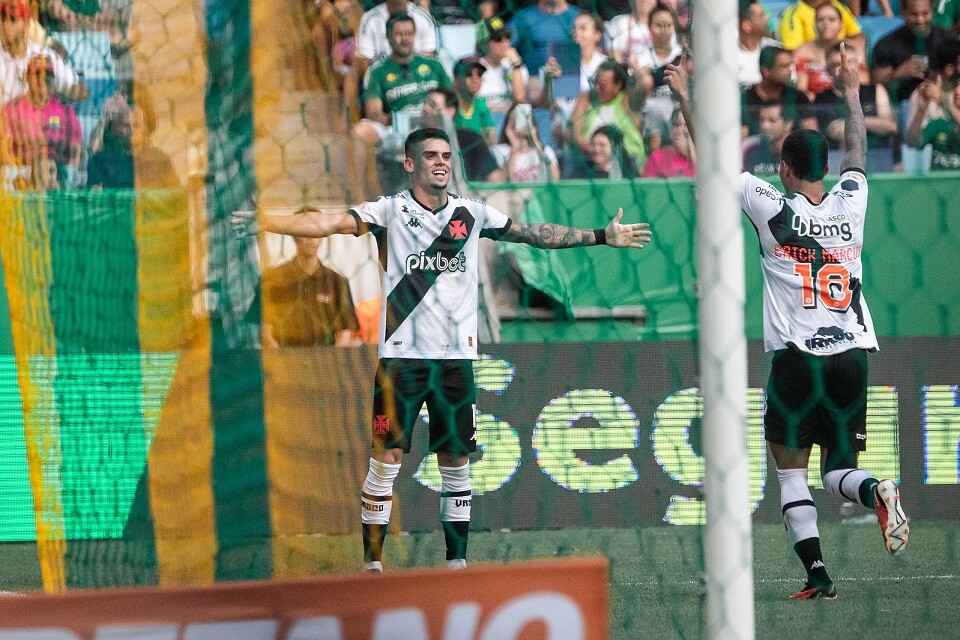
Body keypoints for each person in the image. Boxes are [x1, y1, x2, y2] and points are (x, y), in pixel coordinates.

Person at [231, 127, 652, 573]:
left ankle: (456, 565)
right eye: (431, 155)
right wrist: (268, 220)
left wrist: (601, 236)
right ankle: (372, 565)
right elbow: (327, 221)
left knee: (456, 462)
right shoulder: (389, 212)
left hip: (455, 361)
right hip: (402, 362)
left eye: (447, 156)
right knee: (387, 460)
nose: (441, 162)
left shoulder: (471, 213)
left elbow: (533, 233)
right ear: (410, 164)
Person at [740, 43, 908, 601]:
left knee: (791, 475)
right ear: (827, 168)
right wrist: (852, 90)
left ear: (785, 169)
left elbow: (713, 162)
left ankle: (817, 574)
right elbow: (857, 150)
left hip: (796, 356)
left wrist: (685, 98)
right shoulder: (850, 200)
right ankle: (877, 490)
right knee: (840, 471)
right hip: (852, 354)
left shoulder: (772, 204)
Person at [259, 213, 360, 348]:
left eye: (316, 232)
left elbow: (345, 332)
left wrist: (330, 361)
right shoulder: (272, 278)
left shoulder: (337, 281)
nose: (311, 238)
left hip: (325, 360)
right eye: (304, 231)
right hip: (286, 360)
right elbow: (265, 332)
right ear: (293, 235)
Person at [0, 53, 81, 189]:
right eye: (37, 75)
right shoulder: (12, 109)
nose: (42, 80)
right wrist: (18, 173)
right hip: (24, 169)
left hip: (57, 170)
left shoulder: (64, 109)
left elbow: (76, 147)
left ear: (52, 80)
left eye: (47, 76)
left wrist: (71, 169)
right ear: (27, 78)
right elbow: (5, 148)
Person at [871, 0, 960, 104]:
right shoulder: (886, 44)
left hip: (945, 102)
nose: (920, 19)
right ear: (903, 12)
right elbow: (877, 87)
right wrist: (898, 75)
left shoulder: (950, 41)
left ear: (932, 11)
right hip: (904, 104)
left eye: (925, 14)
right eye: (914, 14)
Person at [0, 0, 87, 105]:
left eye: (13, 20)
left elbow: (81, 90)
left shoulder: (44, 53)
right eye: (2, 19)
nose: (5, 26)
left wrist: (51, 89)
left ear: (26, 24)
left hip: (40, 118)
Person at [86, 101, 180, 189]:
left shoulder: (160, 159)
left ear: (144, 128)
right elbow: (94, 198)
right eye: (125, 125)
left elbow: (176, 197)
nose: (131, 130)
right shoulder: (100, 160)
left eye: (136, 125)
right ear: (114, 128)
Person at [570, 60, 646, 168]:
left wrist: (631, 63)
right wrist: (598, 149)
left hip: (628, 164)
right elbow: (573, 134)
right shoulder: (587, 99)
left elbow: (645, 83)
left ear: (618, 86)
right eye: (595, 83)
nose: (596, 89)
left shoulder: (627, 99)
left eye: (602, 86)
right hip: (593, 163)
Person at [421, 87, 504, 182]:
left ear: (450, 111)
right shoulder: (414, 142)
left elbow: (495, 177)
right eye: (424, 104)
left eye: (432, 105)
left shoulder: (470, 140)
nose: (425, 108)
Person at [742, 46, 819, 137]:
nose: (790, 70)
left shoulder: (798, 97)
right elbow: (740, 138)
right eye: (784, 66)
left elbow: (812, 135)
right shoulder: (746, 99)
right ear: (767, 71)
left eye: (790, 65)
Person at [906, 68, 960, 169]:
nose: (957, 90)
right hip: (938, 183)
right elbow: (912, 143)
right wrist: (921, 110)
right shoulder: (939, 124)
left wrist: (941, 99)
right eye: (956, 86)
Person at [498, 101, 560, 182]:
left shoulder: (545, 150)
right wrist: (515, 147)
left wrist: (536, 142)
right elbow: (504, 181)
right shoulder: (499, 151)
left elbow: (555, 178)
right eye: (515, 119)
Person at [476, 16, 528, 112]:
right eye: (498, 39)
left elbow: (519, 99)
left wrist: (516, 66)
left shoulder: (516, 67)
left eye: (507, 37)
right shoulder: (474, 68)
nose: (505, 43)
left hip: (510, 122)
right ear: (485, 43)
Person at [779, 0, 866, 53]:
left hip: (840, 59)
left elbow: (858, 37)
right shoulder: (793, 14)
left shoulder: (839, 7)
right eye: (820, 20)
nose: (826, 23)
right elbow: (793, 52)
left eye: (831, 19)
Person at [452, 56, 497, 147]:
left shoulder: (481, 105)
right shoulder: (449, 106)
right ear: (456, 80)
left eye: (479, 75)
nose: (475, 80)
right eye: (469, 74)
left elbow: (492, 142)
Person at [738, 0, 781, 89]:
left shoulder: (775, 49)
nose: (768, 17)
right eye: (762, 15)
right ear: (747, 25)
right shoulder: (730, 53)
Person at [569, 124, 640, 178]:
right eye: (593, 144)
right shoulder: (581, 173)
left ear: (614, 148)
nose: (596, 150)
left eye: (602, 145)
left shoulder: (627, 172)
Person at [741, 103, 793, 175]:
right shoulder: (748, 147)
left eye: (772, 120)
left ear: (788, 124)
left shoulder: (800, 150)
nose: (765, 126)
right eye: (762, 120)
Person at [641, 109, 695, 177]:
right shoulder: (657, 157)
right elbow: (646, 185)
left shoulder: (704, 157)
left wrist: (690, 155)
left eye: (686, 126)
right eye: (676, 124)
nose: (680, 130)